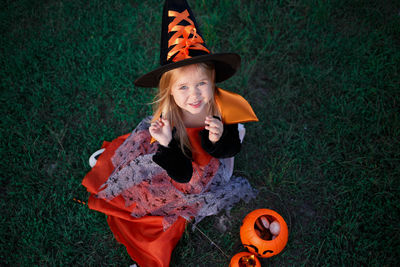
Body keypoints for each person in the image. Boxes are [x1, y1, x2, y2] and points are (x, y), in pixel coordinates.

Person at [82, 0, 258, 266]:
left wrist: (218, 137)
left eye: (201, 84)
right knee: (141, 184)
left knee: (169, 217)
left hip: (201, 170)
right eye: (183, 88)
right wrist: (166, 144)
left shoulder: (225, 107)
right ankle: (112, 163)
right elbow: (181, 173)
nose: (195, 95)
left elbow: (230, 150)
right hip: (179, 167)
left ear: (213, 82)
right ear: (170, 92)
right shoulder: (171, 117)